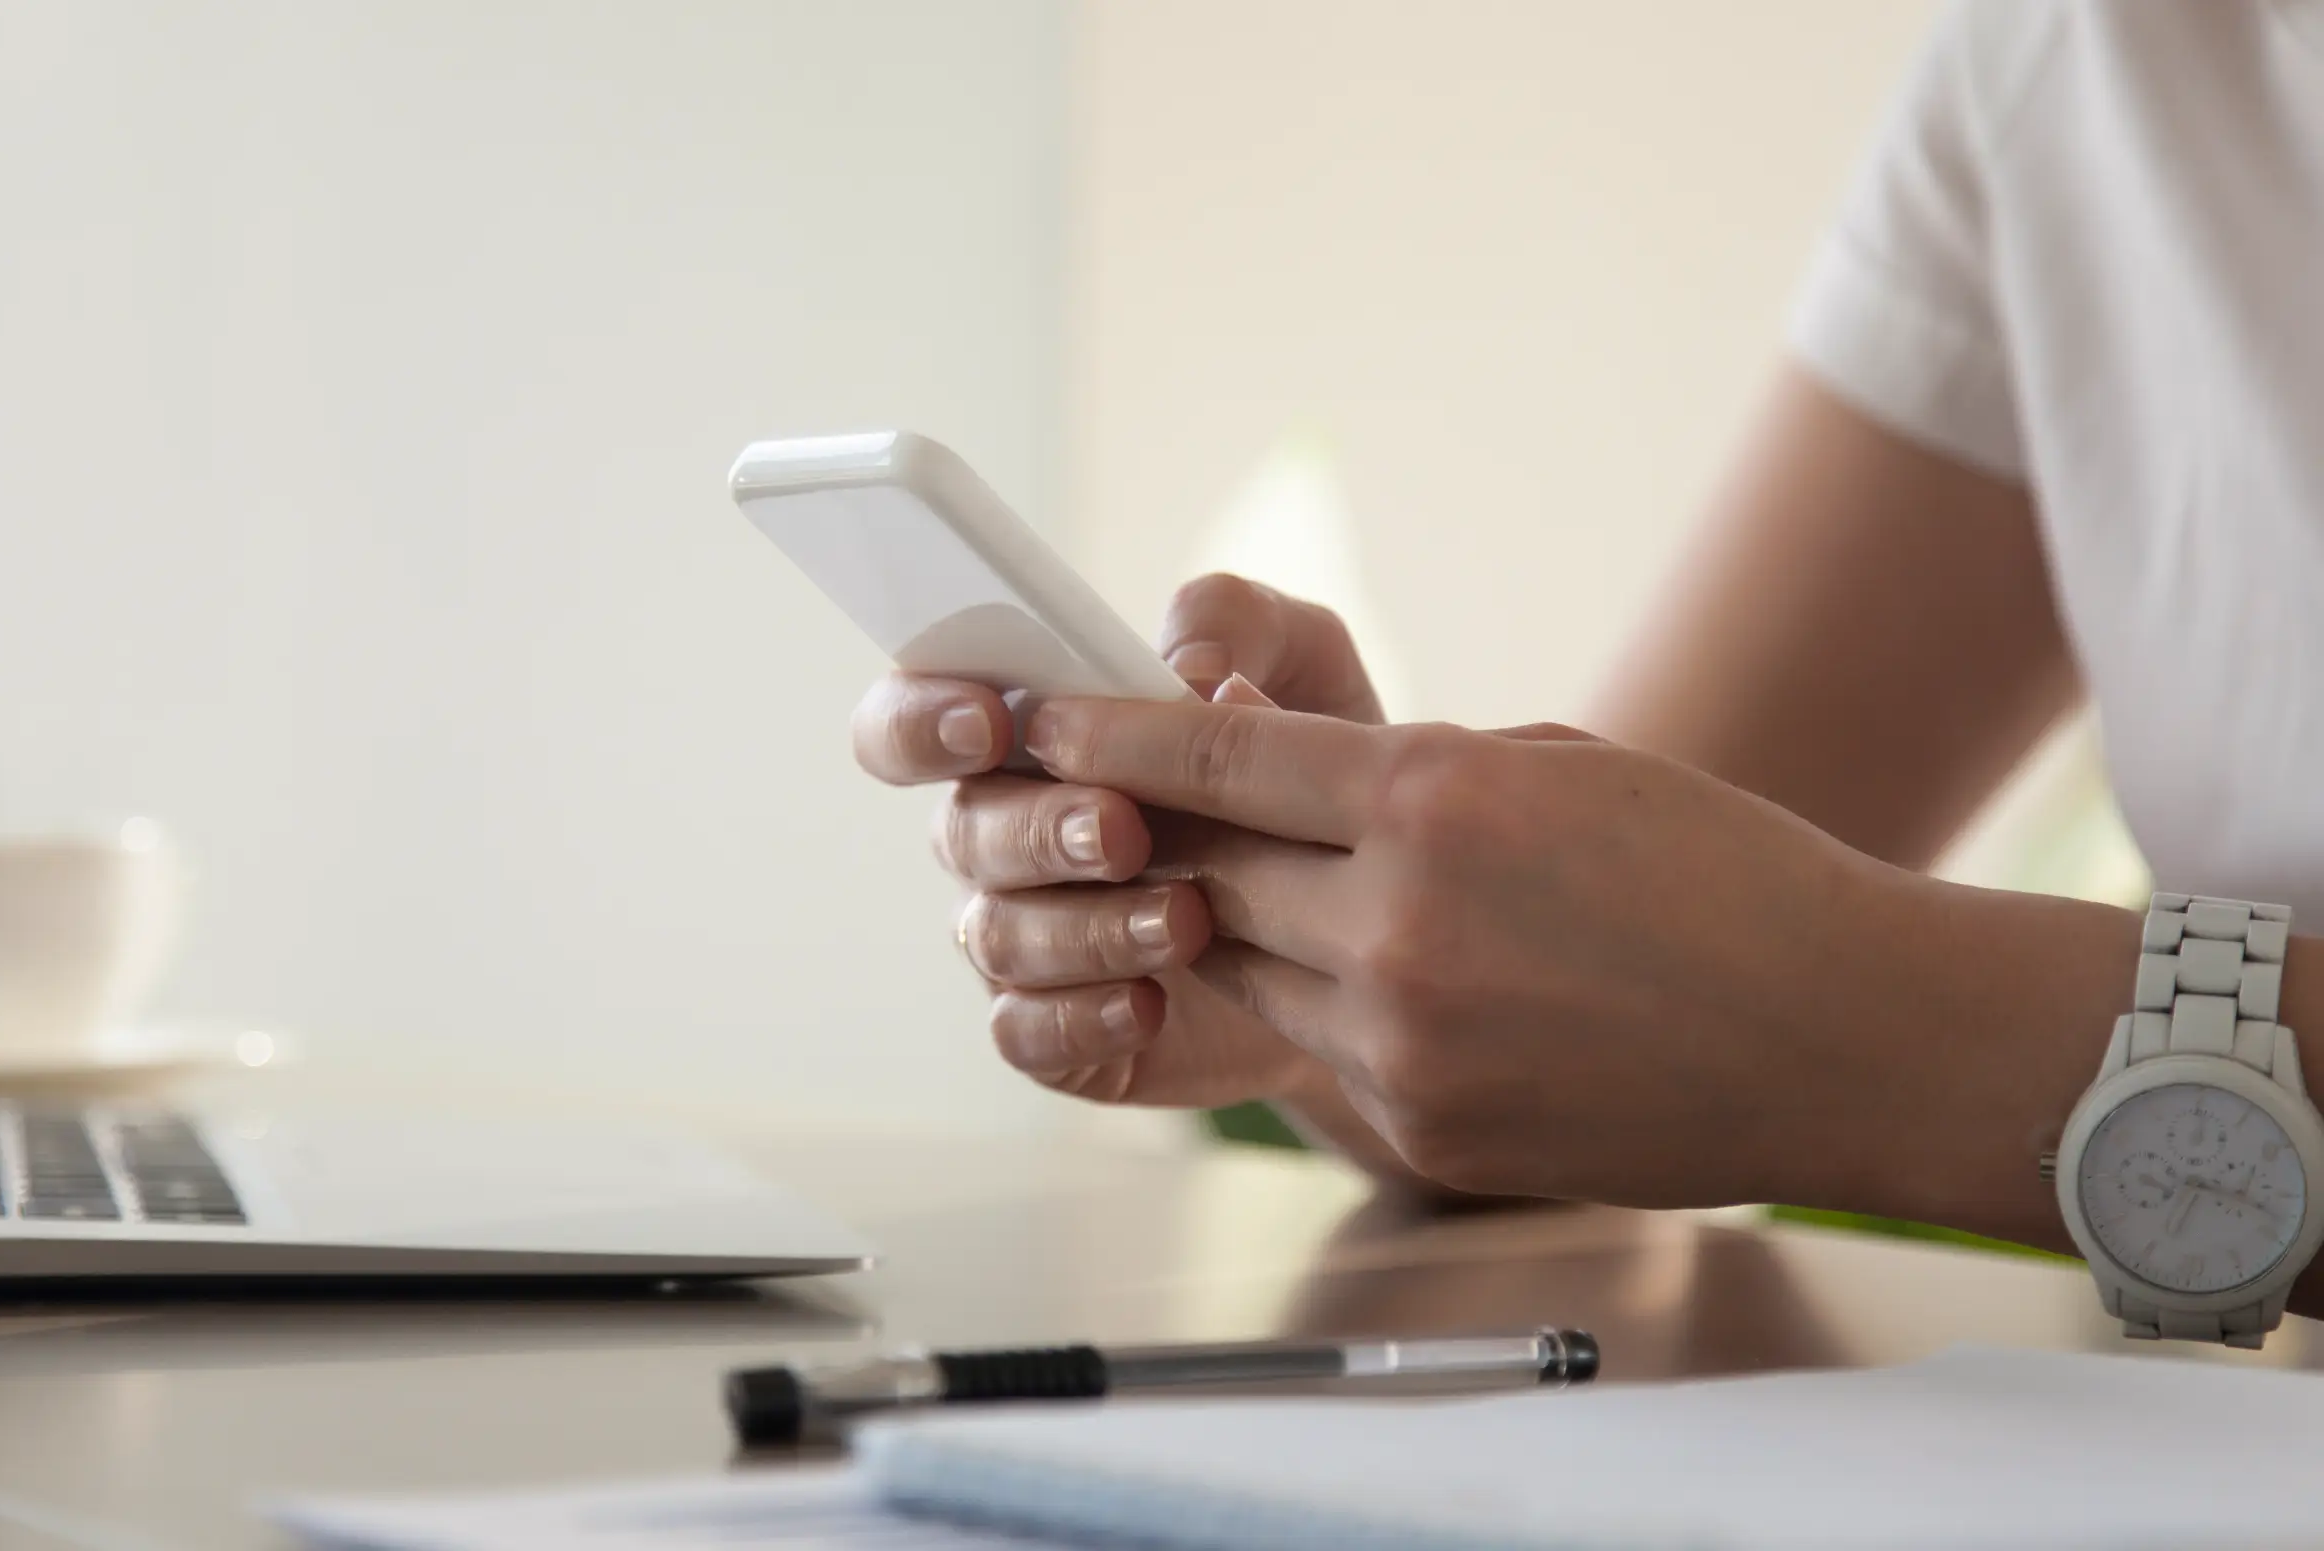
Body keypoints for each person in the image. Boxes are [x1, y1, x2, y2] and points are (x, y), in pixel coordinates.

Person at [852, 2, 2324, 1314]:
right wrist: (1330, 984)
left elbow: (1760, 1000)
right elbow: (1630, 1016)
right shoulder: (2088, 64)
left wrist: (1864, 1026)